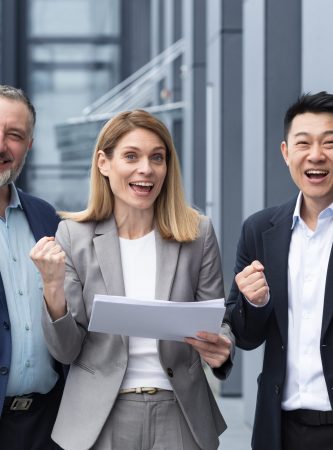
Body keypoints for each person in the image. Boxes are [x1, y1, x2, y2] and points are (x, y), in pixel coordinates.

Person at [30, 109, 234, 450]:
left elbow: (219, 319)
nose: (146, 169)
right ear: (103, 162)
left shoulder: (197, 233)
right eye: (131, 156)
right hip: (100, 418)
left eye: (157, 157)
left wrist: (222, 346)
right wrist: (52, 288)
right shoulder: (73, 235)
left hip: (180, 414)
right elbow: (66, 351)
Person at [226, 91, 333, 450]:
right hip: (280, 428)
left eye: (330, 143)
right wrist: (253, 303)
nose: (316, 155)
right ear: (286, 152)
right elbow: (243, 336)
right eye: (304, 143)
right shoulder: (259, 230)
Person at [0, 84, 64, 449]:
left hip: (47, 424)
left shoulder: (48, 218)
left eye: (14, 135)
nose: (1, 145)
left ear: (29, 146)